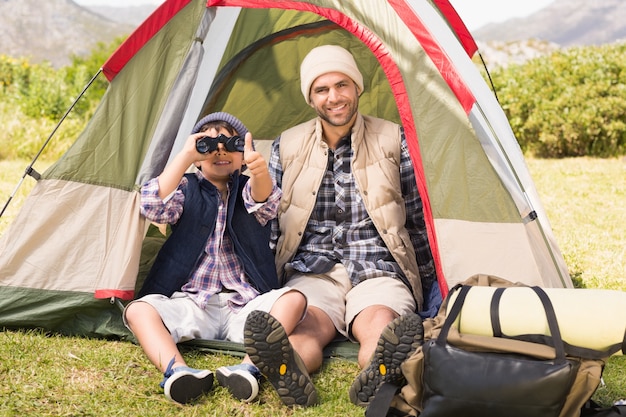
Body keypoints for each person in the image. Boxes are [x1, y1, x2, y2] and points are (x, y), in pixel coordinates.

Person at [243, 45, 441, 408]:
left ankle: (380, 370)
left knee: (380, 322)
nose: (334, 97)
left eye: (342, 85)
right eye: (322, 89)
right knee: (306, 329)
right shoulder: (287, 144)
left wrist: (430, 285)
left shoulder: (392, 138)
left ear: (357, 88)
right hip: (313, 267)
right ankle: (288, 369)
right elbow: (267, 219)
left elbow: (415, 216)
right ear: (310, 98)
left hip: (378, 264)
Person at [123, 112, 310, 405]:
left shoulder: (248, 187)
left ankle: (249, 368)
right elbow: (152, 206)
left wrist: (258, 169)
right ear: (197, 156)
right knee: (138, 311)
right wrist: (185, 157)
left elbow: (266, 200)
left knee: (294, 299)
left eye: (230, 144)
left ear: (242, 154)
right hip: (194, 303)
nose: (220, 151)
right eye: (208, 146)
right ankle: (177, 371)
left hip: (244, 305)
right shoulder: (185, 187)